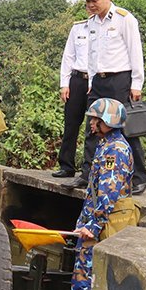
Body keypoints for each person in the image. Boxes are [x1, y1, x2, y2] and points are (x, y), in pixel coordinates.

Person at [62, 0, 146, 195]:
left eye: (95, 0)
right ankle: (88, 173)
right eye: (87, 1)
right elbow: (92, 54)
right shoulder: (91, 22)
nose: (91, 5)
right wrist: (92, 81)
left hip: (119, 79)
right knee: (92, 126)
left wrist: (137, 83)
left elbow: (135, 52)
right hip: (98, 81)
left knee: (124, 128)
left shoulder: (124, 19)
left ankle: (140, 177)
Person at [61, 98, 133, 290]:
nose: (92, 123)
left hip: (101, 227)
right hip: (93, 222)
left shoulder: (115, 151)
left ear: (109, 122)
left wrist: (93, 225)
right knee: (83, 281)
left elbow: (108, 192)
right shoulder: (106, 145)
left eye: (97, 119)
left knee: (83, 283)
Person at [53, 18, 91, 178]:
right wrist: (64, 84)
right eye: (87, 4)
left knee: (93, 127)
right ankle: (66, 165)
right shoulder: (78, 28)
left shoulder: (107, 29)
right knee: (71, 123)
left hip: (95, 81)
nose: (90, 8)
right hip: (76, 79)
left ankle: (88, 169)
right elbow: (68, 56)